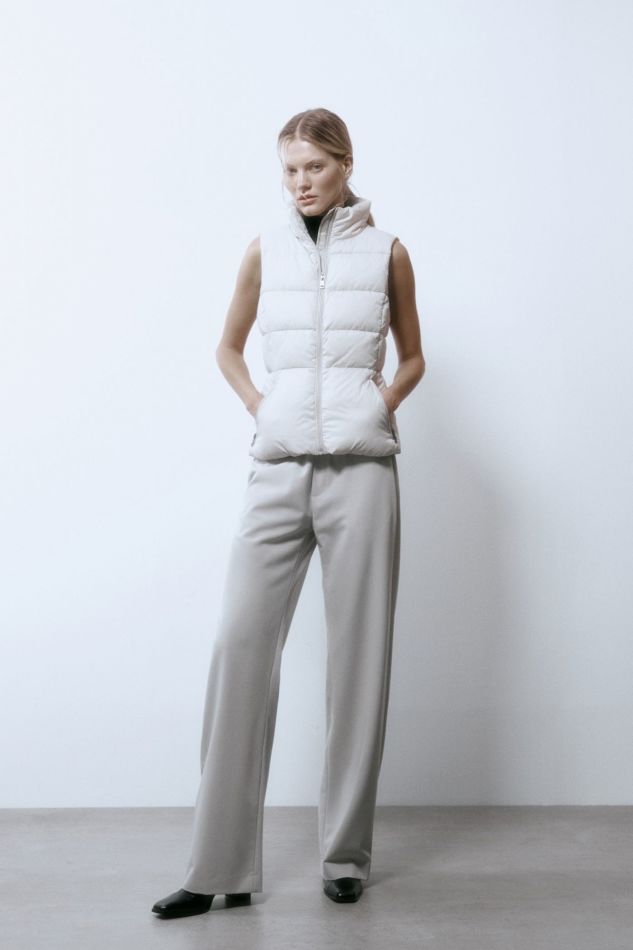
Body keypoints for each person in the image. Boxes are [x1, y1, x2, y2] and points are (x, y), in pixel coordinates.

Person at [152, 107, 426, 919]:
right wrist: (261, 406)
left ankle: (344, 856)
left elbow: (413, 356)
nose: (300, 183)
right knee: (239, 645)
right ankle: (219, 869)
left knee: (358, 661)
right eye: (289, 169)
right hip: (277, 470)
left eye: (314, 167)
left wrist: (378, 404)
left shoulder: (387, 252)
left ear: (345, 165)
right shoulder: (263, 250)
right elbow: (227, 346)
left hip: (362, 472)